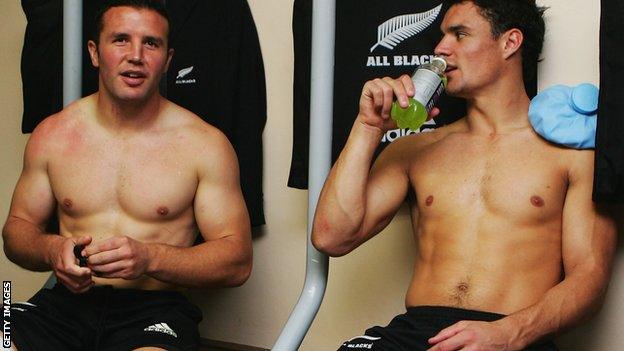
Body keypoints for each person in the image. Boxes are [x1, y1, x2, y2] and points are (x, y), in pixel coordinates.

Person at [311, 1, 617, 350]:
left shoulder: (571, 154)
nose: (440, 48)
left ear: (510, 43)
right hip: (417, 334)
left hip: (513, 335)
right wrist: (368, 128)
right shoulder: (415, 149)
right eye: (441, 36)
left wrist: (511, 333)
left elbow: (589, 277)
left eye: (459, 34)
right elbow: (331, 237)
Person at [2, 1, 252, 350]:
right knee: (2, 335)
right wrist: (51, 248)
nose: (135, 55)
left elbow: (237, 261)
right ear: (94, 52)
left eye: (151, 43)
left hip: (154, 311)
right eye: (120, 39)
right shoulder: (53, 135)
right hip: (63, 305)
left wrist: (150, 258)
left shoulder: (205, 145)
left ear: (167, 60)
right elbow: (16, 232)